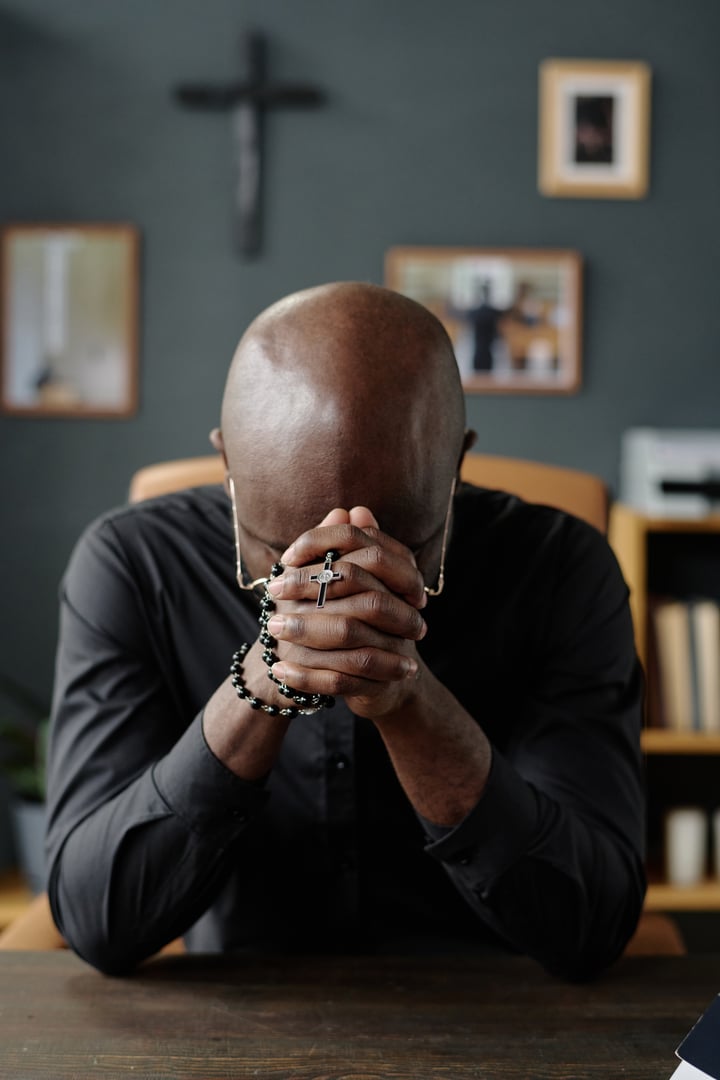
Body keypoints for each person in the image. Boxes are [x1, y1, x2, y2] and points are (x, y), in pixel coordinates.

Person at [45, 282, 645, 979]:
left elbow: (592, 926)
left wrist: (409, 699)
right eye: (284, 549)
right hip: (234, 1017)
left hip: (494, 1005)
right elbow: (98, 919)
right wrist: (263, 680)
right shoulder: (134, 564)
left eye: (396, 542)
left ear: (454, 468)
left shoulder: (561, 569)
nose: (334, 582)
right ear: (228, 468)